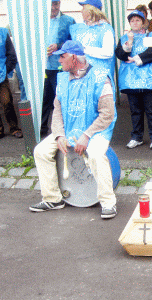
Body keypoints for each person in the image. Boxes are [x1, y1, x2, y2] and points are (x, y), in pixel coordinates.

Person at [29, 41, 118, 219]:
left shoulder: (101, 78)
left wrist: (86, 136)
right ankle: (53, 198)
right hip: (69, 129)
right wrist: (59, 135)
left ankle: (108, 202)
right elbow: (57, 112)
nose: (59, 61)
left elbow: (107, 114)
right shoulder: (62, 79)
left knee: (96, 154)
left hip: (95, 131)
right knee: (41, 151)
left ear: (74, 58)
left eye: (62, 57)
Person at [115, 10, 152, 150]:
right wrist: (129, 43)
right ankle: (137, 137)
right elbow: (119, 54)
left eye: (137, 20)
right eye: (132, 20)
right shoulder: (124, 37)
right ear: (129, 23)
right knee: (135, 110)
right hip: (131, 80)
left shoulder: (151, 35)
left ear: (143, 22)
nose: (135, 23)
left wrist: (136, 58)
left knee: (151, 109)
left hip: (149, 79)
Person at [40, 0, 75, 138]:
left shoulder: (68, 20)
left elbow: (73, 42)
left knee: (60, 98)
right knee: (43, 100)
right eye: (51, 4)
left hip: (60, 67)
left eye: (56, 4)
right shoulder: (39, 21)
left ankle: (63, 129)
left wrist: (59, 46)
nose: (54, 7)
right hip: (43, 67)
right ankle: (41, 130)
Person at [70, 0, 115, 80]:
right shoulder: (82, 28)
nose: (81, 11)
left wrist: (84, 49)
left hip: (100, 78)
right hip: (84, 77)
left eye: (83, 8)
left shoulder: (105, 28)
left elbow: (108, 52)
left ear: (91, 11)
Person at [0, 27, 23, 139]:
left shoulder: (3, 33)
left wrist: (6, 70)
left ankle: (14, 128)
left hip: (1, 75)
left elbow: (11, 54)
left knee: (7, 102)